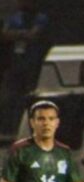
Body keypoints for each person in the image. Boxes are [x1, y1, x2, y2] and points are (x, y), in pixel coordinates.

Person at [0, 0, 50, 134]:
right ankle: (9, 129)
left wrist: (16, 35)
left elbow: (34, 35)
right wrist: (23, 35)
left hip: (32, 65)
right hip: (15, 65)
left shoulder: (40, 18)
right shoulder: (15, 17)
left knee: (29, 97)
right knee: (11, 98)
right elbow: (4, 35)